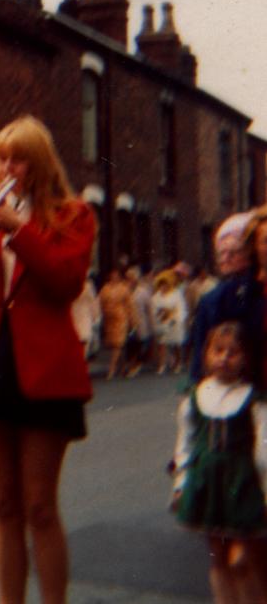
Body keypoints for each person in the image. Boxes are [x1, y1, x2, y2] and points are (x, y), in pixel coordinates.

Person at [0, 115, 96, 604]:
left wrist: (20, 229)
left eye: (18, 159)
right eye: (1, 159)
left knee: (40, 506)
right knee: (5, 504)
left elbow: (65, 281)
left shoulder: (73, 215)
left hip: (45, 368)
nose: (8, 168)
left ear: (39, 165)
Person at [170, 322, 267, 603]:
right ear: (206, 354)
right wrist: (180, 483)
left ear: (245, 358)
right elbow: (185, 444)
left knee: (243, 560)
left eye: (233, 352)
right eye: (218, 350)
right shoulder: (194, 396)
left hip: (242, 485)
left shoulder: (253, 399)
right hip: (207, 484)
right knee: (217, 559)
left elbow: (263, 449)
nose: (224, 358)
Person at [189, 211, 263, 388]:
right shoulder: (210, 299)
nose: (225, 259)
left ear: (250, 253)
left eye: (233, 252)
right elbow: (201, 351)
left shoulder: (258, 290)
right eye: (221, 253)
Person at [97, 267, 137, 379]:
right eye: (112, 275)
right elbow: (100, 302)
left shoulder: (124, 289)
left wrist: (132, 321)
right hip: (109, 319)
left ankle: (112, 369)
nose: (114, 277)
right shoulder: (105, 288)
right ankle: (124, 367)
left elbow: (130, 306)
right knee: (115, 344)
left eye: (116, 275)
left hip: (121, 317)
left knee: (118, 343)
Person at [150, 269, 188, 374]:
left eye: (165, 285)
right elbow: (153, 309)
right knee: (162, 344)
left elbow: (181, 308)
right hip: (162, 320)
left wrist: (177, 319)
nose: (163, 287)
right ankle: (162, 365)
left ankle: (179, 362)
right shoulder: (156, 297)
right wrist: (159, 316)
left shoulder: (176, 294)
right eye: (161, 285)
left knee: (176, 344)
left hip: (174, 320)